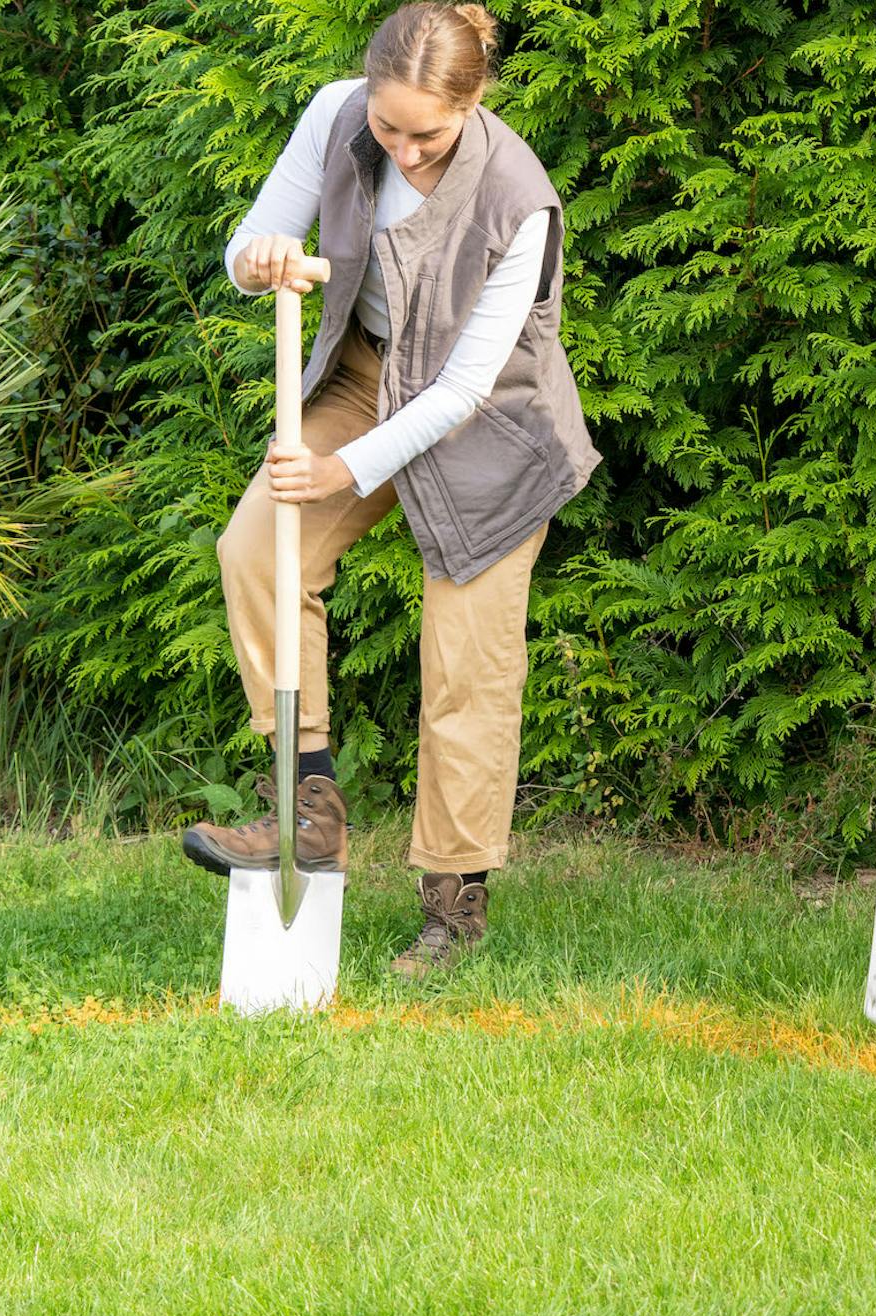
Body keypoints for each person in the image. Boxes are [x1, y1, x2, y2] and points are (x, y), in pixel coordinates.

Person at [182, 1, 599, 977]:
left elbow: (460, 388)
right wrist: (261, 261)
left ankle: (453, 905)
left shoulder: (519, 200)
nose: (405, 152)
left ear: (477, 99)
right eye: (389, 127)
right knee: (257, 551)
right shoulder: (335, 115)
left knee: (466, 665)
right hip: (370, 379)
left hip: (493, 419)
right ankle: (308, 810)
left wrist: (341, 468)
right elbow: (248, 252)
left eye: (430, 134)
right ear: (367, 93)